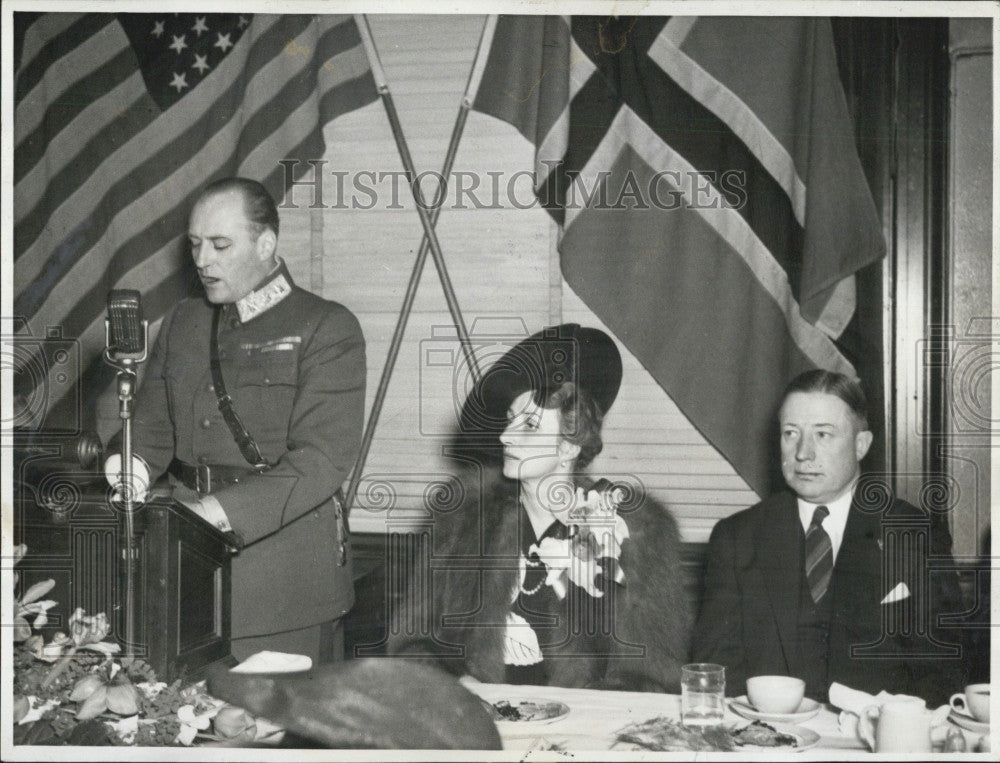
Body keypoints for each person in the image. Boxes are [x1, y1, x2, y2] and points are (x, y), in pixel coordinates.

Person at [104, 177, 366, 663]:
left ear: (266, 244)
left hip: (282, 576)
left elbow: (321, 461)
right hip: (185, 569)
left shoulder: (326, 327)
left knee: (271, 731)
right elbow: (153, 426)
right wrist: (131, 466)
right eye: (196, 245)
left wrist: (207, 517)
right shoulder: (184, 321)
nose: (203, 260)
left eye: (221, 245)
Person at [389, 324, 691, 692]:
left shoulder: (636, 531)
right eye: (509, 419)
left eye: (529, 424)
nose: (505, 435)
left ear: (570, 445)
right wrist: (458, 689)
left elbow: (653, 678)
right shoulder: (463, 518)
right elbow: (411, 645)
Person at [691, 370, 962, 705]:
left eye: (823, 434)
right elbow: (716, 671)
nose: (803, 453)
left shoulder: (914, 535)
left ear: (861, 445)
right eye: (791, 433)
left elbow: (943, 674)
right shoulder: (737, 538)